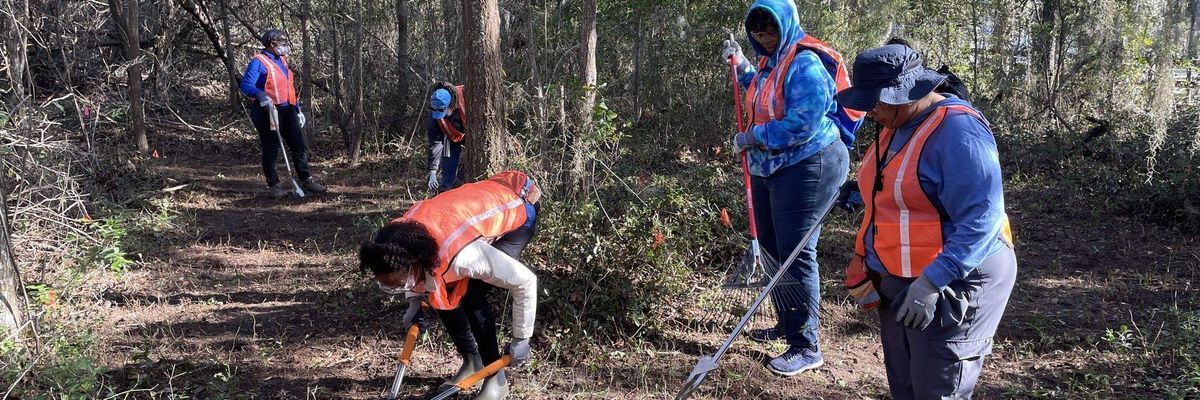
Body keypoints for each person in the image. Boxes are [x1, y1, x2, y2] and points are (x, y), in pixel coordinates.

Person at [836, 44, 1017, 399]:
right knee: (905, 385)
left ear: (907, 93)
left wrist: (932, 282)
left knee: (936, 388)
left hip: (956, 280)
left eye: (876, 101)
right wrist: (860, 190)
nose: (870, 110)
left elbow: (982, 218)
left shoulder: (959, 132)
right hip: (902, 279)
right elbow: (903, 179)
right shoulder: (894, 122)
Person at [719, 0, 862, 376]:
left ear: (786, 27)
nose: (765, 39)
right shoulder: (770, 60)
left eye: (771, 32)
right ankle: (787, 322)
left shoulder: (805, 62)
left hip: (811, 163)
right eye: (758, 34)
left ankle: (805, 344)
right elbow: (761, 88)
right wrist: (741, 65)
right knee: (770, 246)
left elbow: (802, 123)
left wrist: (752, 136)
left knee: (795, 251)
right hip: (772, 164)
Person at [359, 171, 541, 400]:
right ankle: (472, 360)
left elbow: (525, 281)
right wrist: (413, 303)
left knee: (472, 295)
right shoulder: (395, 238)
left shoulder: (463, 256)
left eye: (401, 283)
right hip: (461, 218)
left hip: (518, 212)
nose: (402, 286)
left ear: (415, 263)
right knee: (439, 292)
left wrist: (521, 339)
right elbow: (416, 278)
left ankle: (496, 378)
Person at [240, 28, 327, 199]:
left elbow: (288, 88)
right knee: (271, 147)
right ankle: (274, 185)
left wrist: (298, 109)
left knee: (299, 145)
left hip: (288, 110)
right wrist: (260, 95)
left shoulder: (282, 61)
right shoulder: (258, 61)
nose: (285, 46)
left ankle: (306, 180)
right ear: (271, 44)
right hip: (267, 111)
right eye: (282, 43)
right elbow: (246, 85)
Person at [426, 83, 467, 192]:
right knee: (448, 154)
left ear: (452, 106)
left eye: (444, 113)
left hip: (472, 136)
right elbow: (435, 143)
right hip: (452, 137)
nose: (442, 117)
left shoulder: (466, 97)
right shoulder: (434, 112)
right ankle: (446, 188)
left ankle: (463, 184)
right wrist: (432, 172)